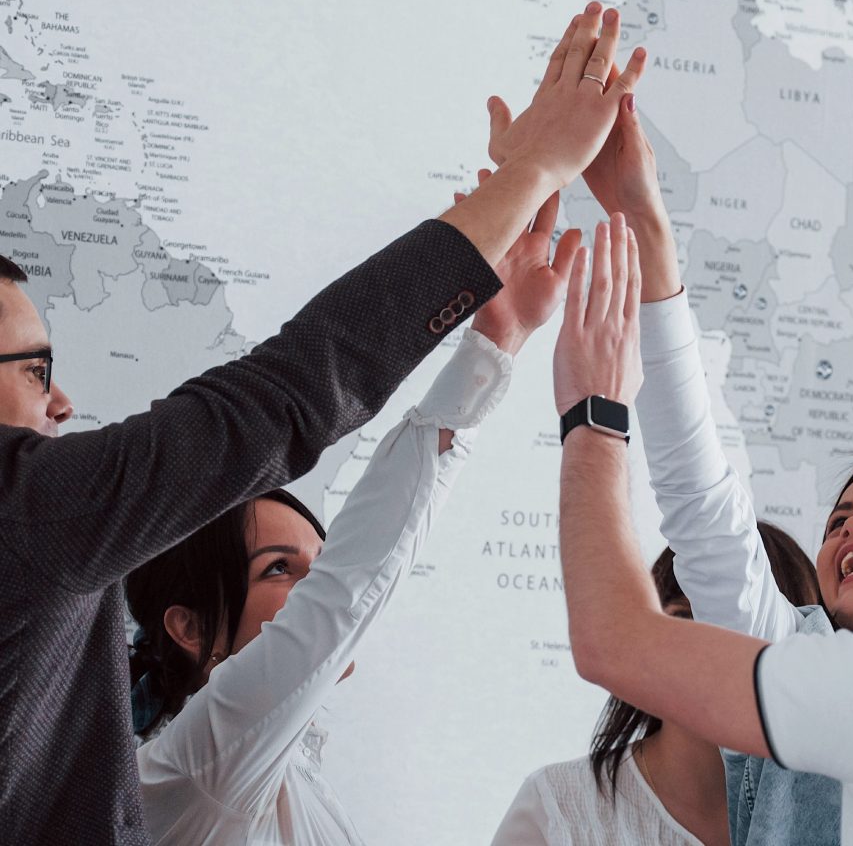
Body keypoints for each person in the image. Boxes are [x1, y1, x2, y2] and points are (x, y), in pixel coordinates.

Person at [0, 2, 647, 845]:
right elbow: (287, 402)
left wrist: (499, 330)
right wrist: (526, 175)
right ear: (186, 628)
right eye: (34, 369)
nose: (62, 403)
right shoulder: (32, 525)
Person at [488, 85, 853, 845]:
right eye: (839, 517)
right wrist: (648, 233)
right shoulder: (806, 662)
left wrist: (594, 412)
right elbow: (704, 504)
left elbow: (617, 634)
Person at [126, 192, 575, 844]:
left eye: (318, 557)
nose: (316, 581)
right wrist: (493, 340)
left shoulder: (286, 774)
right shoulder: (199, 767)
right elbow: (349, 587)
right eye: (280, 568)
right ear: (188, 628)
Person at [491, 525, 819, 846]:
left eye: (749, 631)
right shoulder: (558, 807)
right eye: (685, 619)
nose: (711, 651)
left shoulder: (847, 809)